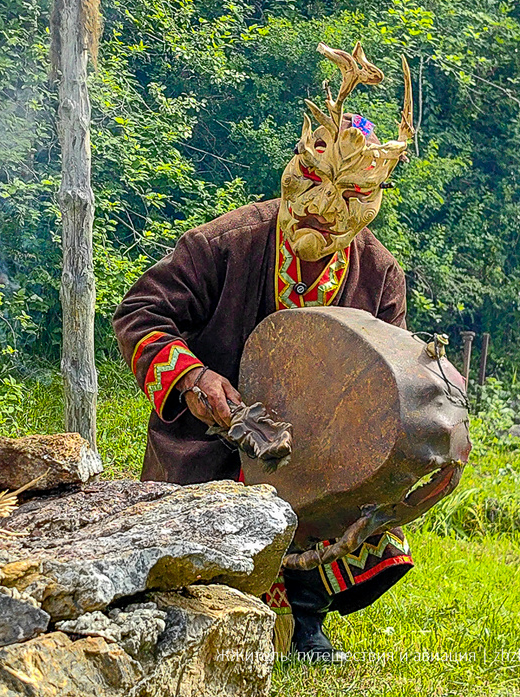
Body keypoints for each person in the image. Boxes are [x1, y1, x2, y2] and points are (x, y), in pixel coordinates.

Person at [113, 43, 416, 663]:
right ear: (293, 167)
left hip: (316, 453)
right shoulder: (225, 245)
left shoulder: (380, 274)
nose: (327, 209)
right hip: (211, 447)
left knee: (335, 480)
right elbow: (139, 315)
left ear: (378, 195)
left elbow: (392, 377)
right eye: (313, 182)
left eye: (353, 194)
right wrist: (200, 386)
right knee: (189, 567)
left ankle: (307, 614)